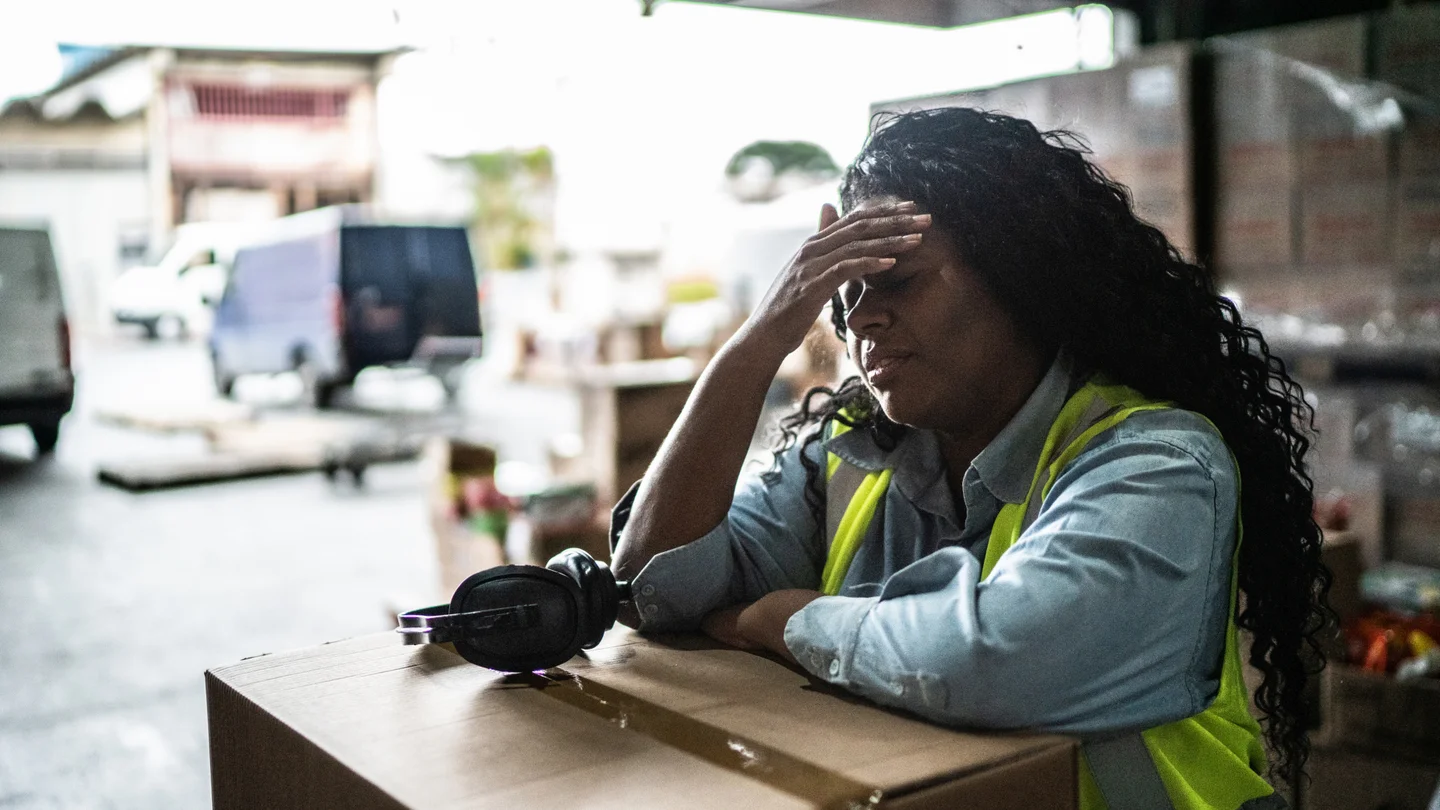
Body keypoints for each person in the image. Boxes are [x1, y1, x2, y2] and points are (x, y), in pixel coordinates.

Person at [610, 108, 1329, 810]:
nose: (858, 319)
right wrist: (759, 341)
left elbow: (994, 662)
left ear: (1021, 278)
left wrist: (780, 619)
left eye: (898, 281)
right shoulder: (850, 456)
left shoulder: (1158, 461)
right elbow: (653, 585)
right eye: (845, 294)